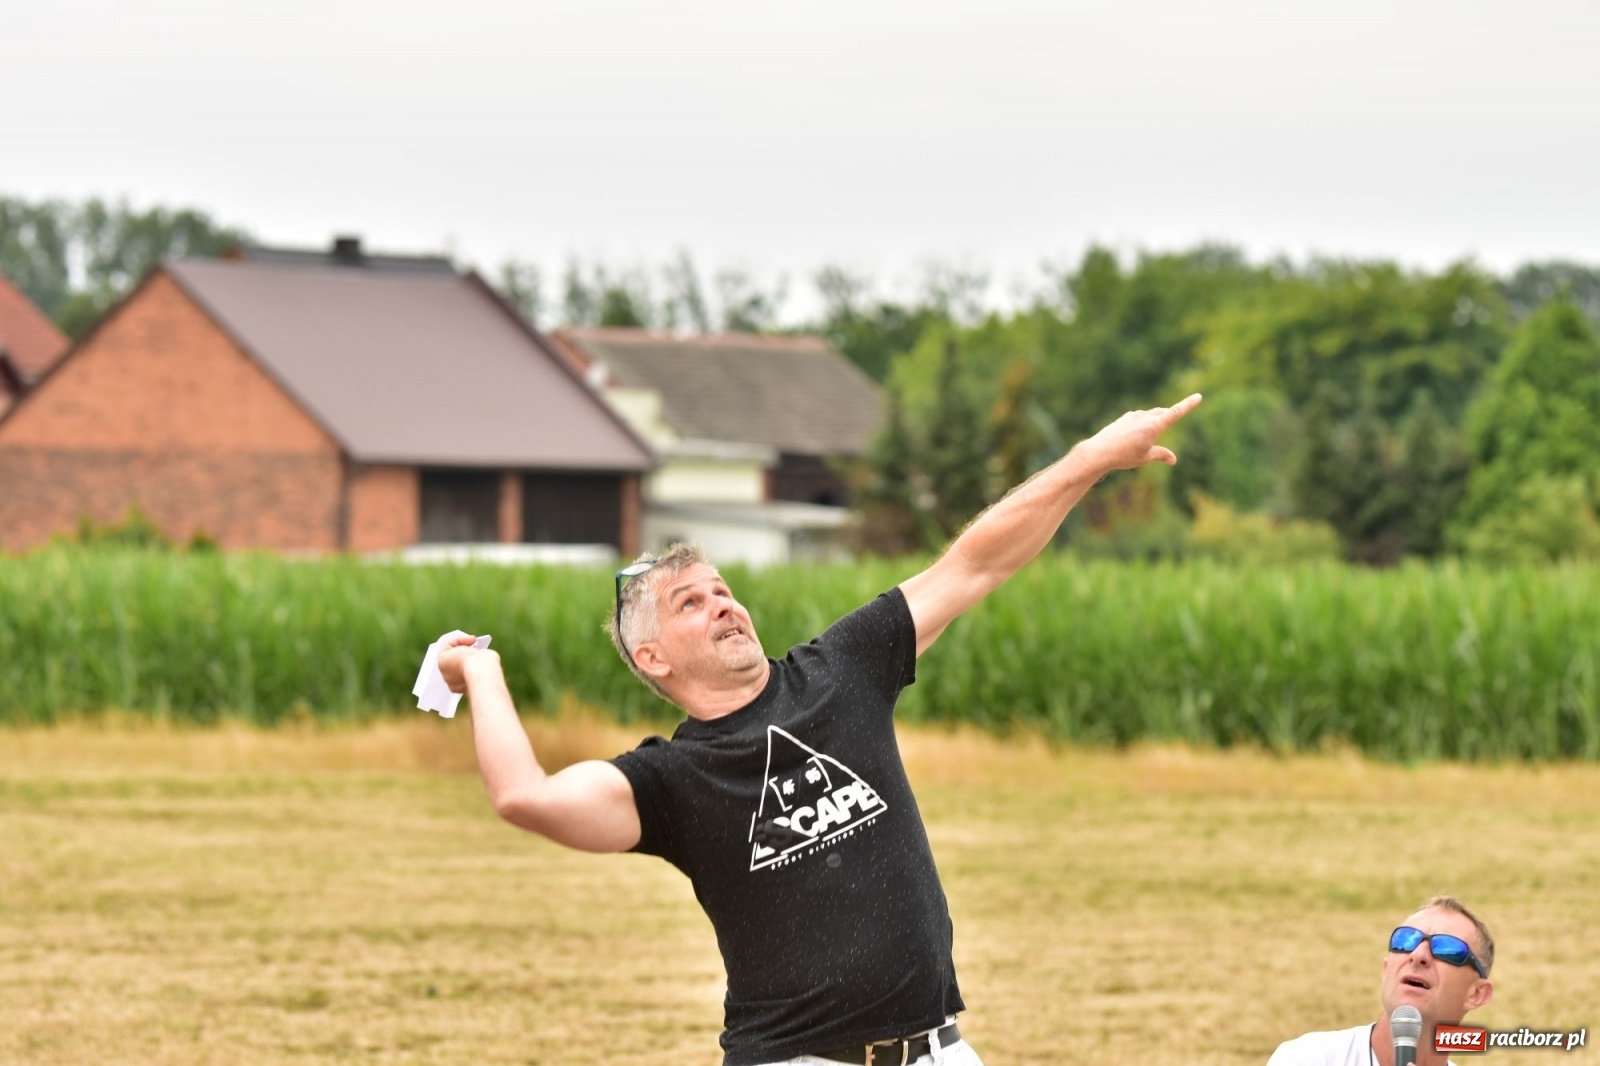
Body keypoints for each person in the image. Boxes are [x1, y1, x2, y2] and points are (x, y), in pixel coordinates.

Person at [437, 393, 1203, 1066]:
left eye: (722, 590)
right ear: (652, 656)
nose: (724, 606)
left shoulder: (841, 669)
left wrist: (1094, 457)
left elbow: (976, 564)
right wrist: (482, 673)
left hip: (939, 1049)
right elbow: (524, 795)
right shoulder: (671, 782)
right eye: (690, 605)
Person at [1267, 896, 1495, 1066]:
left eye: (1446, 949)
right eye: (1405, 940)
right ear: (1386, 971)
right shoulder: (1309, 1058)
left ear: (1476, 994)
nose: (1418, 955)